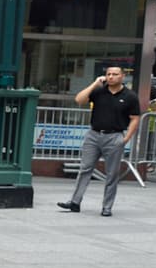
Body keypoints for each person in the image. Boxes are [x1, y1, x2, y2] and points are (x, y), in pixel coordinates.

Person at [57, 65, 140, 217]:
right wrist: (95, 84)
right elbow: (79, 100)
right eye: (108, 74)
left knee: (112, 174)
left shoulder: (130, 96)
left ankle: (107, 207)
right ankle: (75, 202)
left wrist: (126, 138)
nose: (111, 77)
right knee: (85, 168)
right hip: (93, 135)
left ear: (122, 77)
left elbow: (135, 119)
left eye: (115, 74)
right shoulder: (99, 91)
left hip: (114, 136)